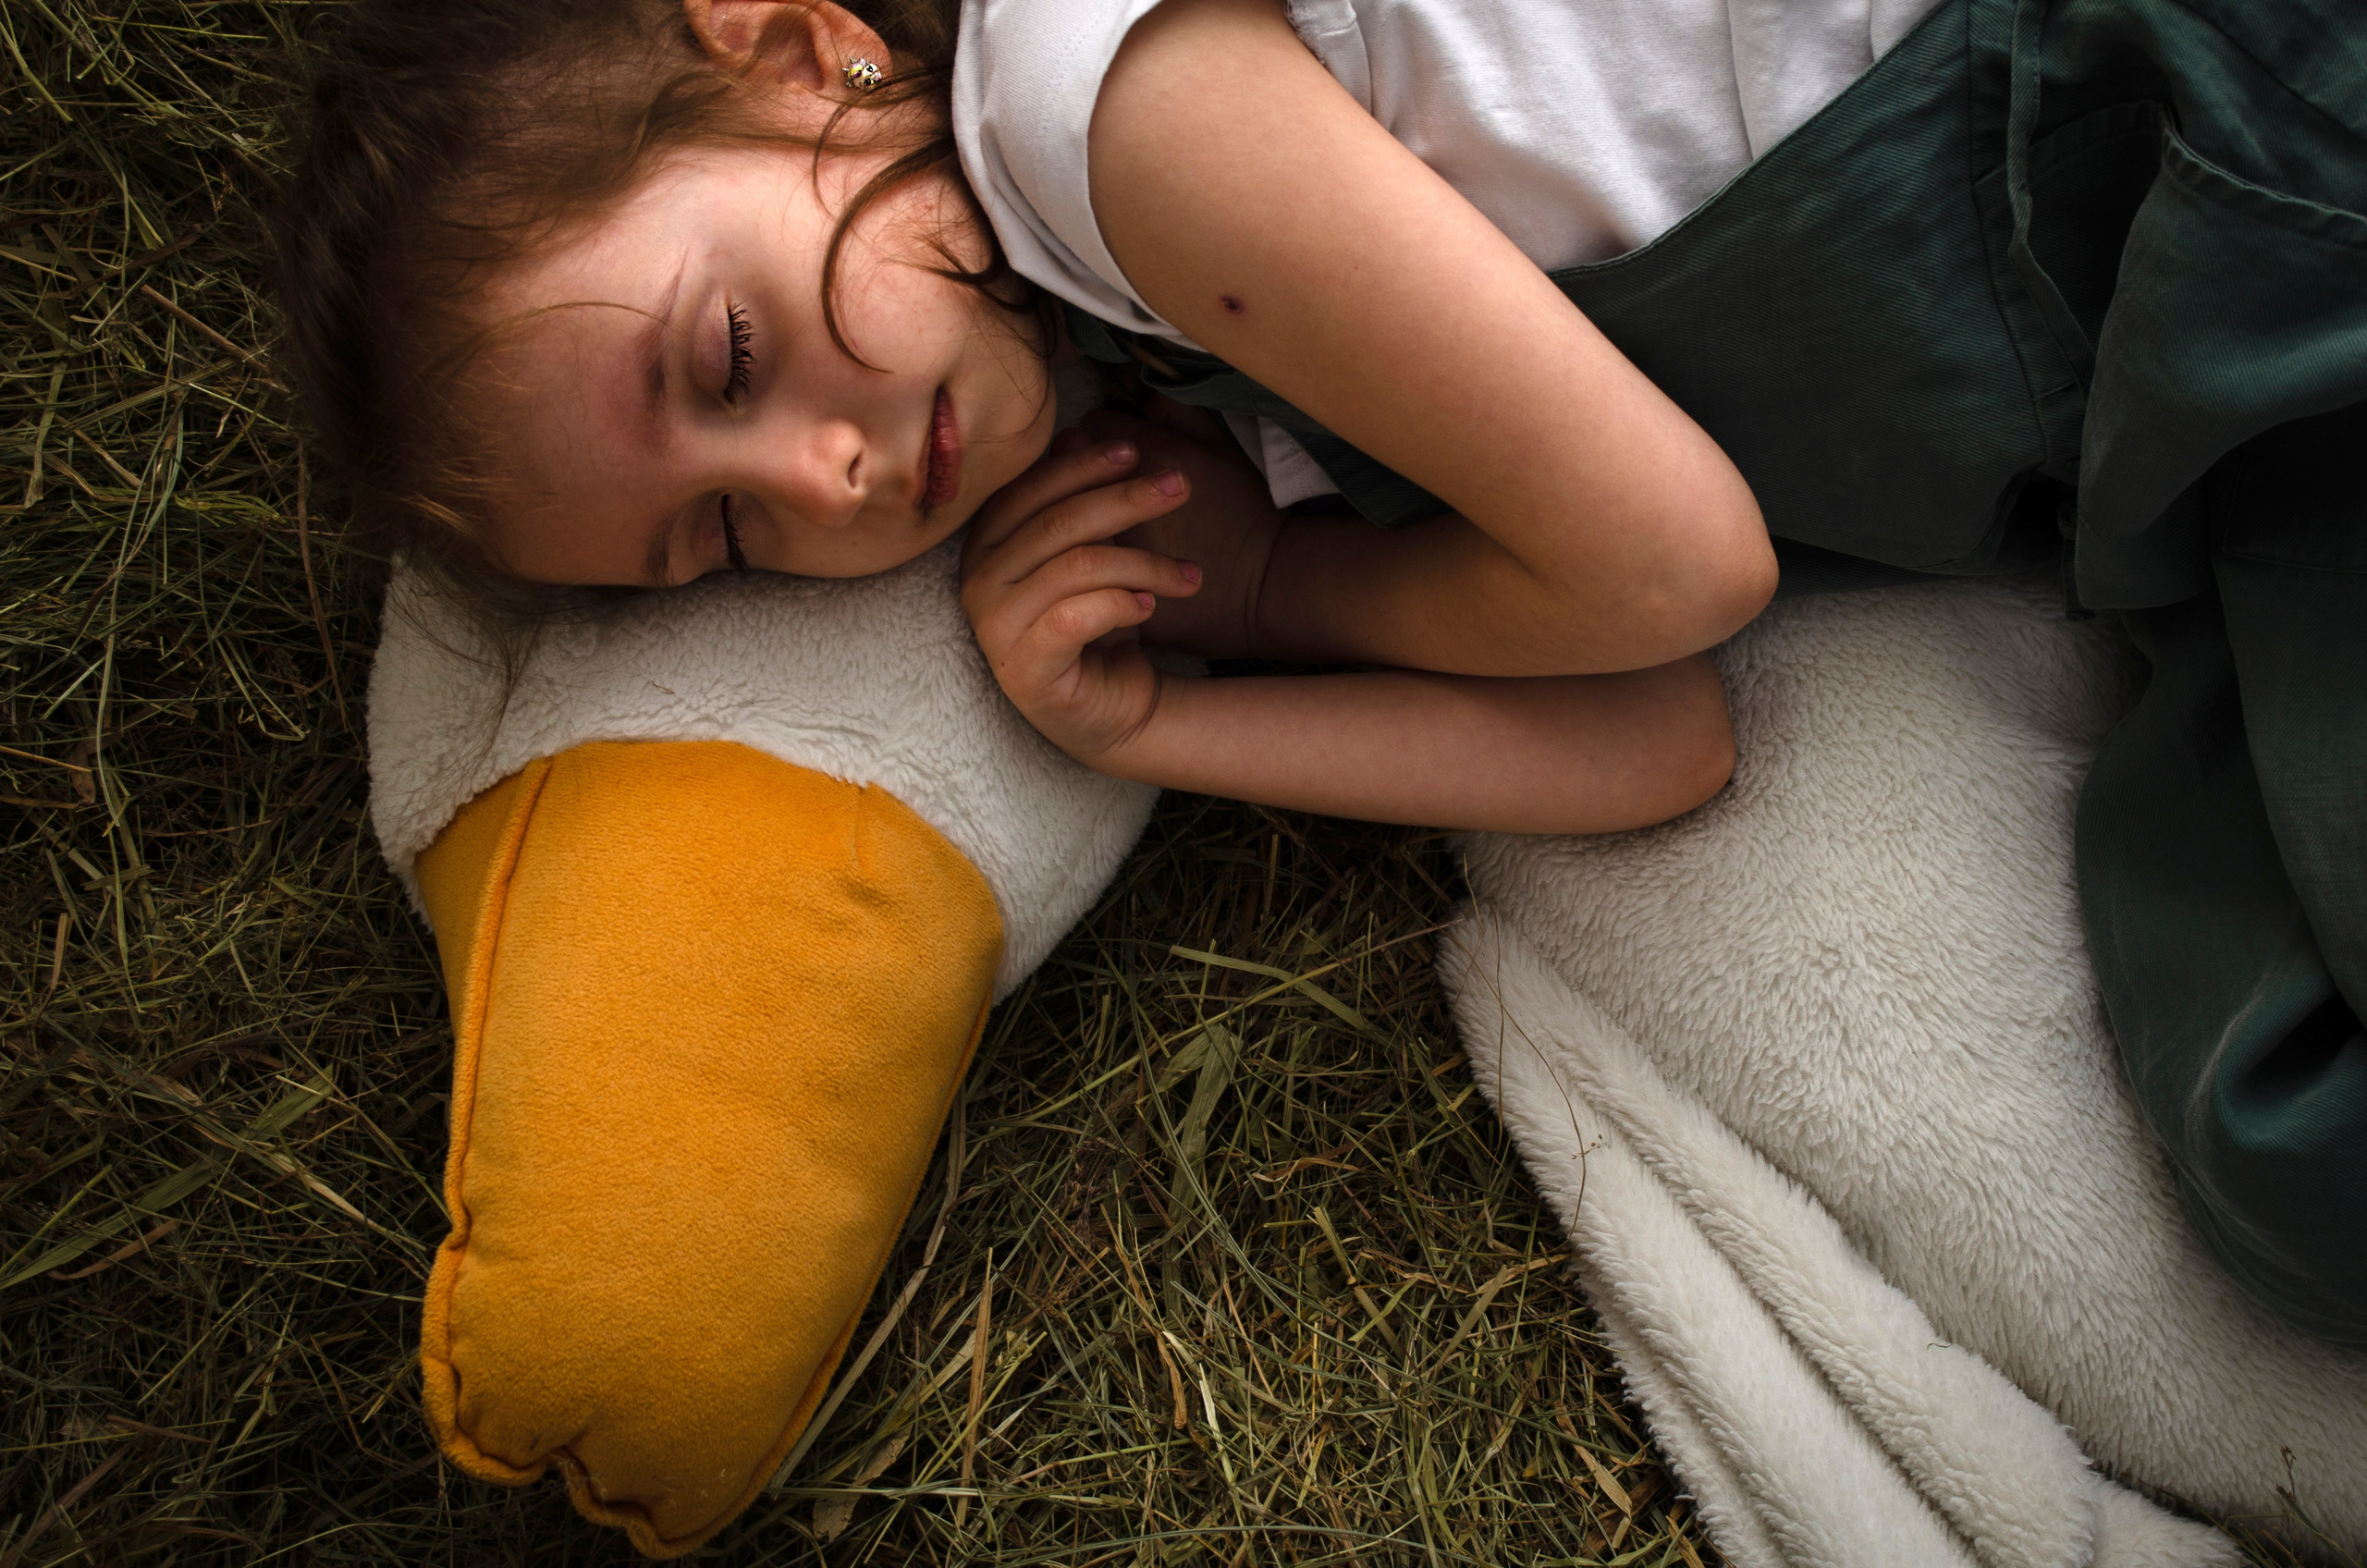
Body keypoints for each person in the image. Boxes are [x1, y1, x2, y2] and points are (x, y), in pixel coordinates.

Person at [278, 0, 2366, 1338]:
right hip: (2147, 415)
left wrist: (1290, 601)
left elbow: (1670, 569)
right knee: (2277, 1131)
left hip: (2213, 136)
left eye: (722, 357)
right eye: (721, 537)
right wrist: (1161, 718)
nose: (823, 477)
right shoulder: (1164, 358)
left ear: (794, 41)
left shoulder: (1087, 110)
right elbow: (1646, 746)